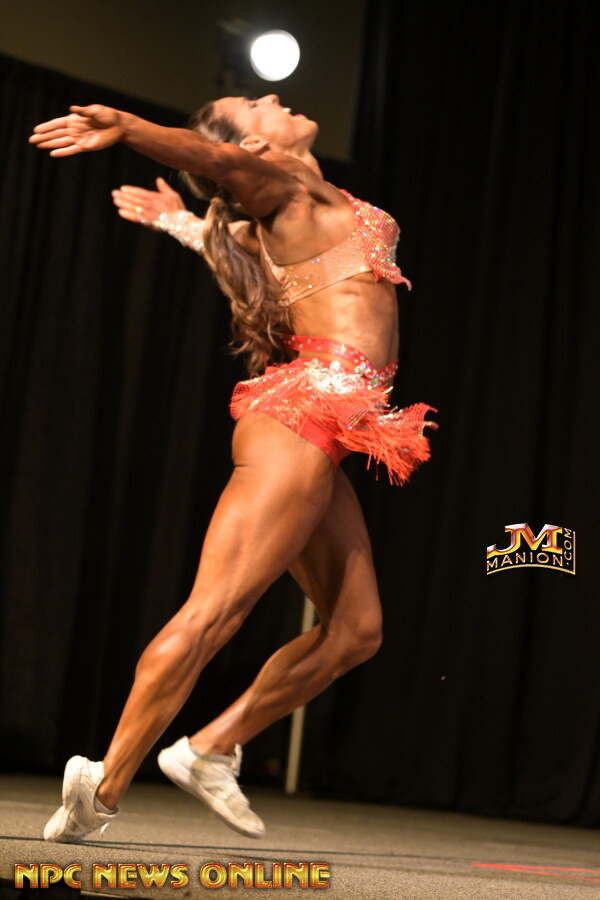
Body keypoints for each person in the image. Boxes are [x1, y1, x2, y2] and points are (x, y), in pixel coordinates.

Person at [28, 94, 438, 843]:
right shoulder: (279, 181)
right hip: (300, 417)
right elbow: (210, 158)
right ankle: (103, 784)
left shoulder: (291, 207)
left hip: (330, 424)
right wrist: (131, 129)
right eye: (255, 103)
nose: (274, 98)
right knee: (214, 612)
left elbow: (239, 249)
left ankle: (211, 747)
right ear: (252, 148)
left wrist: (177, 222)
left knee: (355, 630)